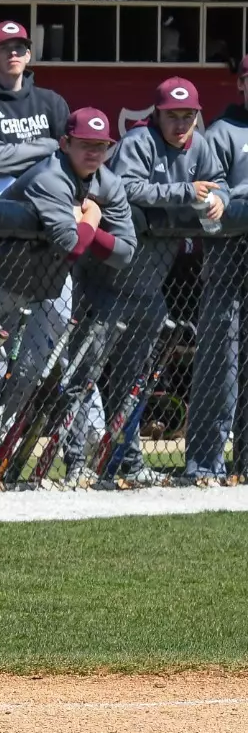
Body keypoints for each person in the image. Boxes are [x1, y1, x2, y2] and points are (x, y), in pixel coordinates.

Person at [0, 110, 136, 489]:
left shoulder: (108, 182)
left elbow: (126, 251)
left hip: (37, 285)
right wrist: (93, 218)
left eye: (101, 146)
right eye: (84, 145)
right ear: (65, 144)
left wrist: (88, 222)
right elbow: (75, 246)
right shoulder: (49, 177)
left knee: (23, 376)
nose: (93, 153)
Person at [105, 77, 224, 483]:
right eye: (173, 116)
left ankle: (126, 460)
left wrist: (219, 196)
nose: (181, 124)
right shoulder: (139, 142)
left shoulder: (201, 144)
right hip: (111, 276)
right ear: (156, 114)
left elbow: (216, 180)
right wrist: (183, 192)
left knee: (132, 373)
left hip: (151, 280)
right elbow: (124, 187)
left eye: (188, 116)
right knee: (94, 371)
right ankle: (94, 458)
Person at [188, 58, 248, 480]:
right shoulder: (222, 132)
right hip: (228, 258)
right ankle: (205, 463)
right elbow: (212, 195)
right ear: (242, 82)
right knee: (219, 360)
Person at [0, 21, 70, 201]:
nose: (14, 53)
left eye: (20, 47)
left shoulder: (52, 101)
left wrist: (13, 155)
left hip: (48, 198)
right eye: (4, 48)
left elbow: (70, 156)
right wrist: (50, 146)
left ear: (28, 55)